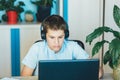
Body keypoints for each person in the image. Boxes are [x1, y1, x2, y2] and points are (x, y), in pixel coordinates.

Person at [21, 15, 89, 76]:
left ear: (65, 35)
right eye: (52, 37)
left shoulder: (73, 46)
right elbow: (25, 77)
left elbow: (95, 71)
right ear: (44, 36)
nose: (56, 42)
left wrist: (97, 71)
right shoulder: (36, 48)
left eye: (60, 37)